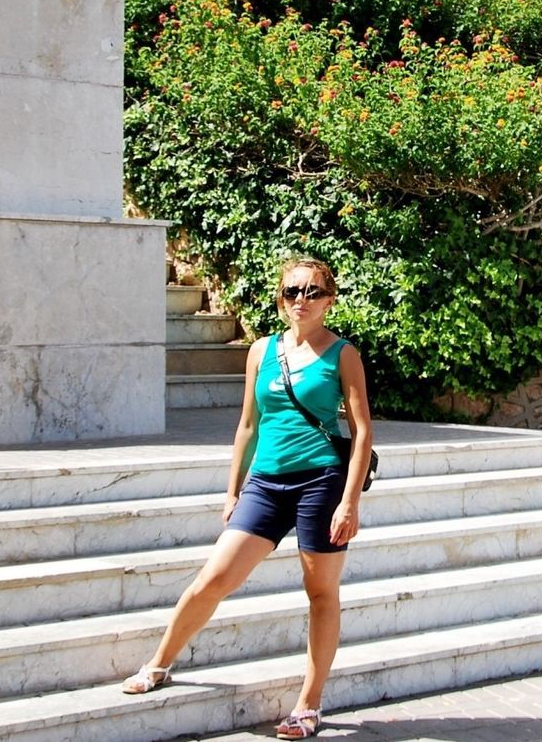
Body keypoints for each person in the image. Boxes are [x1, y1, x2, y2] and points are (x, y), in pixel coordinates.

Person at [121, 257, 374, 741]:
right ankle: (159, 664)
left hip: (320, 481)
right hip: (266, 483)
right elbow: (247, 425)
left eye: (312, 292)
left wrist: (349, 502)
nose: (301, 300)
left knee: (321, 591)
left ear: (329, 300)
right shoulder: (261, 350)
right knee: (214, 578)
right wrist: (233, 489)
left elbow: (362, 432)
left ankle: (308, 704)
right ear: (280, 299)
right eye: (291, 291)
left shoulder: (343, 355)